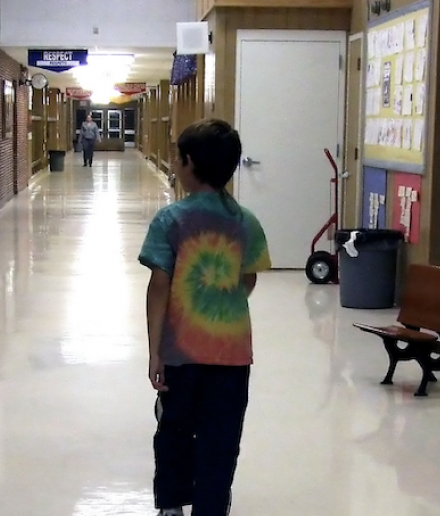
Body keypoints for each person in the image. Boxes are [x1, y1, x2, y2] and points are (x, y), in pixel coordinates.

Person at [138, 119, 271, 516]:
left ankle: (171, 506)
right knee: (221, 438)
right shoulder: (246, 221)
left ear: (189, 163)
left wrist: (155, 351)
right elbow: (247, 279)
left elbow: (159, 287)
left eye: (178, 158)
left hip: (180, 352)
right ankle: (211, 508)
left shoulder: (171, 220)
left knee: (174, 430)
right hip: (231, 354)